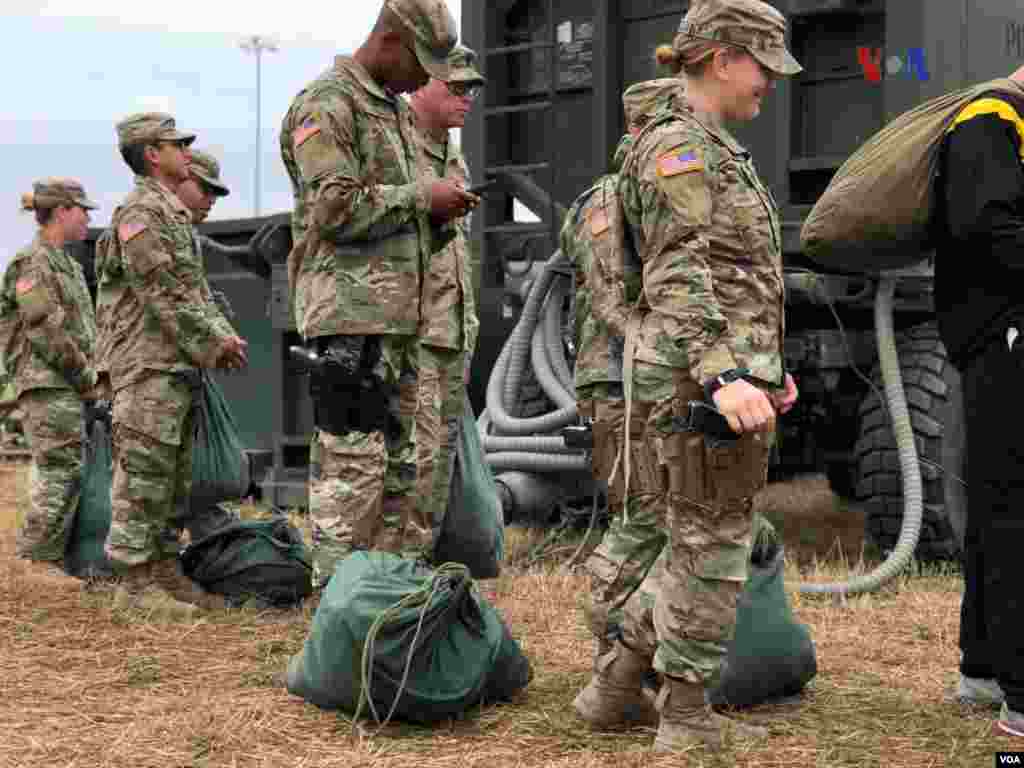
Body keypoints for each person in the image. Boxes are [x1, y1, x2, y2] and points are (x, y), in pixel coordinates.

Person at [572, 0, 801, 751]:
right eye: (763, 66)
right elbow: (678, 275)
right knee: (713, 548)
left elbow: (736, 280)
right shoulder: (681, 148)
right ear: (723, 58)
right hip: (694, 381)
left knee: (692, 543)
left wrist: (761, 372)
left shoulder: (708, 146)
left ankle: (612, 689)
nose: (770, 83)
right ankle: (687, 717)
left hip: (716, 374)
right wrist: (723, 376)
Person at [279, 0, 474, 588]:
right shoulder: (327, 104)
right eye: (423, 63)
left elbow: (391, 208)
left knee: (402, 471)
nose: (429, 79)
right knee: (352, 474)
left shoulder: (387, 109)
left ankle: (386, 599)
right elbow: (332, 208)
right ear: (390, 41)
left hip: (403, 321)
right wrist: (423, 198)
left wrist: (438, 216)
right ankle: (339, 611)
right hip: (352, 323)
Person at [94, 112, 248, 609]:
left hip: (173, 364)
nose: (186, 150)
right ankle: (134, 584)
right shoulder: (140, 213)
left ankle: (162, 570)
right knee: (143, 473)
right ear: (152, 155)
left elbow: (193, 290)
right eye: (176, 144)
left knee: (172, 475)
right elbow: (161, 291)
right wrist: (213, 342)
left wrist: (221, 336)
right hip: (145, 365)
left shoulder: (169, 213)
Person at [567, 79, 683, 675]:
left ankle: (640, 657)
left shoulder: (647, 191)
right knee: (643, 516)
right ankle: (613, 653)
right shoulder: (610, 201)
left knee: (662, 516)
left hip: (645, 381)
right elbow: (616, 298)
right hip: (623, 387)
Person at [934, 63, 1024, 737]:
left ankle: (984, 669)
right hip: (1003, 338)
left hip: (999, 338)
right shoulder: (990, 118)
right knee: (1014, 509)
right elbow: (987, 229)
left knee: (999, 504)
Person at [0, 179, 102, 576]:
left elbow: (83, 328)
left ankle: (50, 559)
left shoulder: (68, 265)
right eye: (83, 210)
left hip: (68, 382)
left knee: (68, 469)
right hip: (48, 382)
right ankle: (36, 561)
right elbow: (45, 330)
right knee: (59, 469)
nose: (88, 219)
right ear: (62, 211)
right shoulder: (32, 263)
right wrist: (85, 374)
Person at [407, 44, 484, 534]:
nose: (467, 97)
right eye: (455, 87)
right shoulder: (395, 145)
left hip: (451, 328)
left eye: (471, 88)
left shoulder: (452, 157)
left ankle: (419, 556)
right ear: (419, 84)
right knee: (411, 454)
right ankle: (392, 566)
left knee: (438, 454)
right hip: (412, 329)